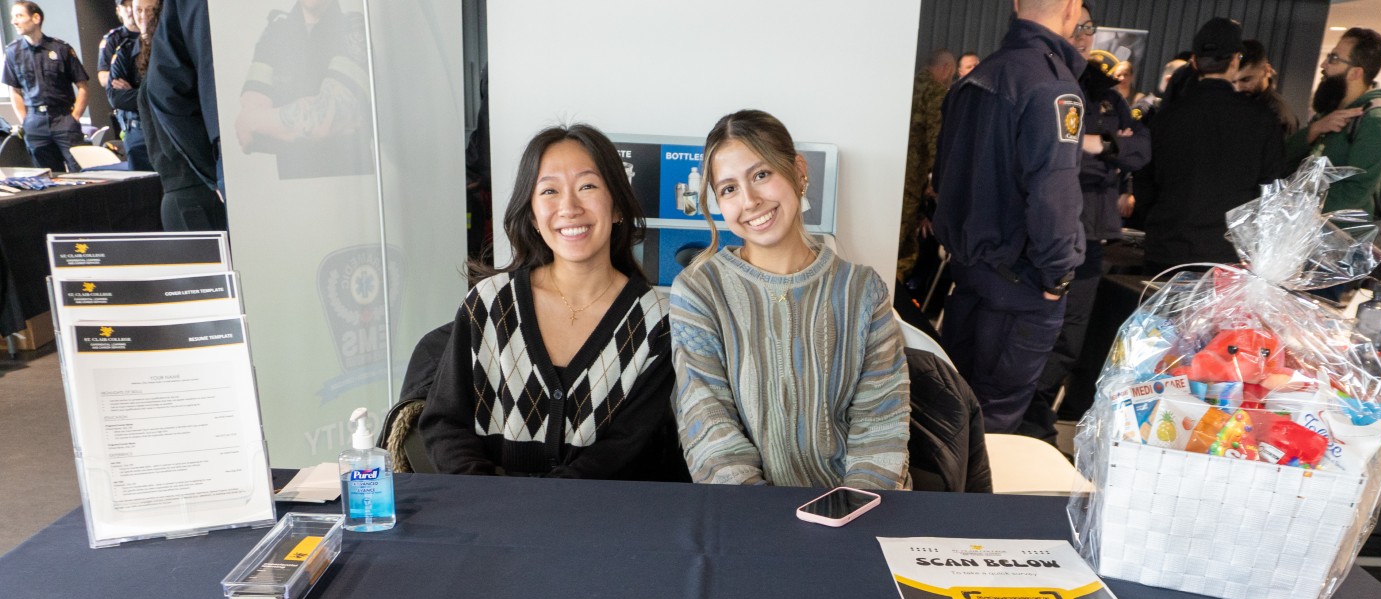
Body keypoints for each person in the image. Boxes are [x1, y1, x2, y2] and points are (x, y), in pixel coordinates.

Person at [420, 125, 680, 481]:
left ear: (617, 206)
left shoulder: (656, 320)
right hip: (487, 508)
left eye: (587, 186)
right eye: (549, 191)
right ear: (532, 215)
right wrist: (488, 496)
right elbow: (445, 423)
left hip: (603, 512)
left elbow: (626, 450)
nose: (569, 207)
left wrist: (538, 502)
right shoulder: (490, 303)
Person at [670, 109, 909, 489]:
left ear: (798, 171)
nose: (750, 201)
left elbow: (881, 425)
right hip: (745, 511)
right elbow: (709, 429)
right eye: (729, 189)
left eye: (761, 175)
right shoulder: (699, 291)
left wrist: (851, 509)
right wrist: (761, 516)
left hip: (854, 506)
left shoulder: (863, 290)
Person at [931, 0, 1088, 434]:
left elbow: (943, 178)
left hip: (970, 273)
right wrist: (1057, 278)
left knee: (958, 409)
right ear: (1072, 8)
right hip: (1021, 284)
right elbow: (1054, 195)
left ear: (1017, 4)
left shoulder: (977, 77)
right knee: (995, 421)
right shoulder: (1052, 86)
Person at [1022, 10, 1150, 442]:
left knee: (1069, 341)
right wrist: (1092, 150)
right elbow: (1051, 158)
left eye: (1088, 28)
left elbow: (1140, 151)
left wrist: (1103, 144)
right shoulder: (1041, 82)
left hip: (1091, 238)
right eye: (1074, 26)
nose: (1081, 35)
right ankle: (1017, 419)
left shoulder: (1108, 96)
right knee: (1032, 333)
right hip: (1043, 232)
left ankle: (1035, 420)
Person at [1134, 17, 1284, 275]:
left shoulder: (1165, 118)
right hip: (1228, 256)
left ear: (1194, 61)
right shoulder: (1262, 120)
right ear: (1235, 61)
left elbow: (1144, 184)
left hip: (1167, 248)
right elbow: (1272, 190)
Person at [234, 0, 372, 180]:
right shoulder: (275, 31)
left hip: (350, 185)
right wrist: (301, 125)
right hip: (290, 188)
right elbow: (249, 134)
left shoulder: (355, 28)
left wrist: (266, 125)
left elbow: (325, 119)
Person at [1284, 28, 1381, 220]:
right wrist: (1315, 129)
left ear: (1355, 73)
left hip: (1336, 233)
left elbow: (1356, 191)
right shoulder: (1329, 111)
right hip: (1302, 226)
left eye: (1334, 58)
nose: (1324, 64)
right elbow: (1283, 158)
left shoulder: (1376, 121)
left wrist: (1297, 210)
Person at [140, 0, 225, 229]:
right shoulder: (162, 84)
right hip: (194, 192)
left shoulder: (155, 81)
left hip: (189, 191)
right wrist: (213, 171)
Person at [2, 1, 88, 172]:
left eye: (19, 16)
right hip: (35, 122)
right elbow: (15, 91)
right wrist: (25, 120)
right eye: (13, 17)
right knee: (47, 175)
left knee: (80, 170)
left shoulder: (61, 48)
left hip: (63, 118)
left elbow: (83, 86)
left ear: (36, 18)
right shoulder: (13, 52)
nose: (14, 21)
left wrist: (75, 117)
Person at [896, 49, 957, 285]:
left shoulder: (905, 86)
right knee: (902, 248)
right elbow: (936, 143)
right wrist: (938, 183)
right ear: (947, 68)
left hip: (890, 176)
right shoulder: (936, 93)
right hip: (912, 181)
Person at [107, 0, 159, 172]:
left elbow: (170, 92)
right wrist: (151, 95)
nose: (144, 16)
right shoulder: (125, 51)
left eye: (150, 10)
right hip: (138, 135)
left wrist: (134, 93)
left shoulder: (171, 48)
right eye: (138, 10)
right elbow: (115, 96)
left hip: (168, 129)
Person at [1235, 39, 1298, 138]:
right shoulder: (1239, 103)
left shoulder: (1278, 115)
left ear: (1266, 71)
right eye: (1233, 81)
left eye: (1246, 80)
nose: (1238, 88)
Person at [95, 0, 136, 135]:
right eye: (125, 6)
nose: (130, 10)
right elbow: (103, 77)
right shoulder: (112, 39)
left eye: (132, 5)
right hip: (127, 111)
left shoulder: (153, 34)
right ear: (118, 10)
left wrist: (128, 80)